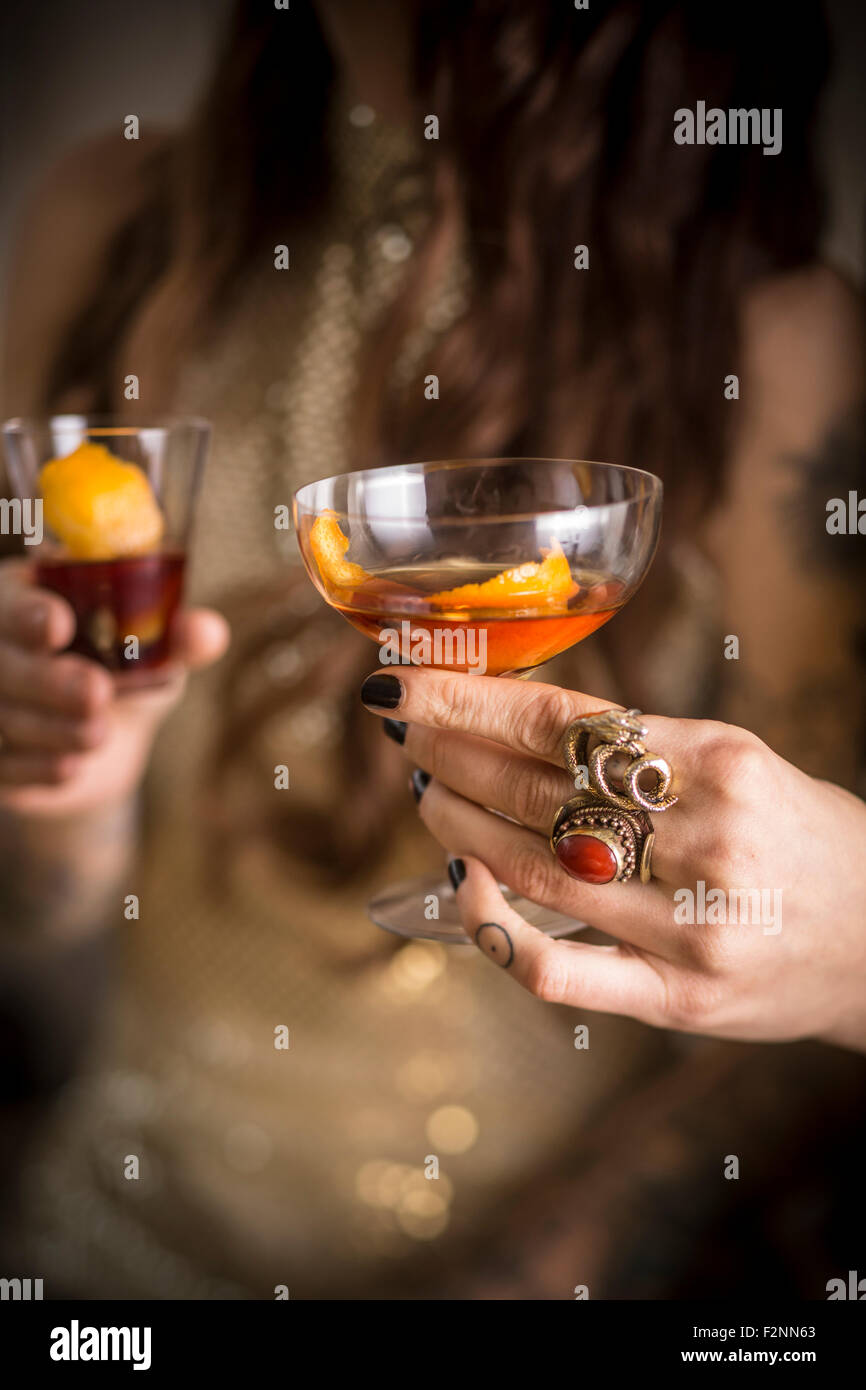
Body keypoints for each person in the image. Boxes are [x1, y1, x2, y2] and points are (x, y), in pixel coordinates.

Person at [0, 0, 863, 1298]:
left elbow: (798, 1001)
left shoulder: (770, 337)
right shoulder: (113, 225)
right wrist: (57, 800)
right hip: (106, 1247)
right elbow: (36, 924)